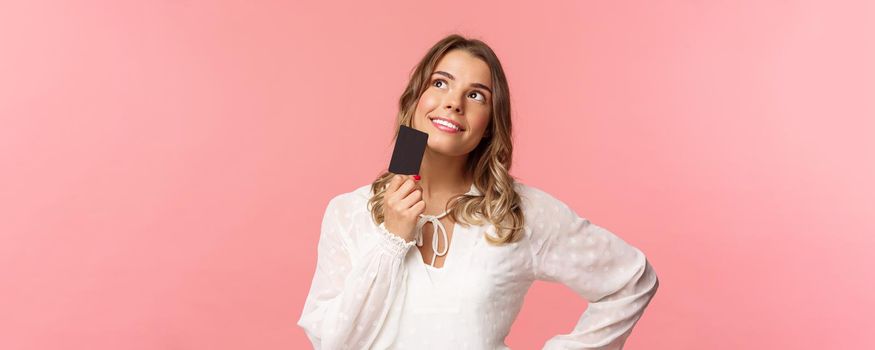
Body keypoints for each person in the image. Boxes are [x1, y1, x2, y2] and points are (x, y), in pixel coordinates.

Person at [297, 33, 659, 349]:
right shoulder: (348, 212)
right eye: (440, 83)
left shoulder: (519, 213)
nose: (454, 102)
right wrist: (390, 240)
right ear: (414, 100)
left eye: (476, 95)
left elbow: (631, 279)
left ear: (489, 124)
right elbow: (333, 344)